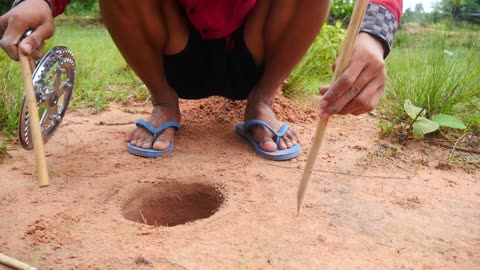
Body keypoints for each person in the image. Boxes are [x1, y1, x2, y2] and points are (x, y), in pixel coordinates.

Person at [0, 0, 402, 160]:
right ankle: (164, 100)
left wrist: (373, 34)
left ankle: (262, 99)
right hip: (175, 48)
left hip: (257, 47)